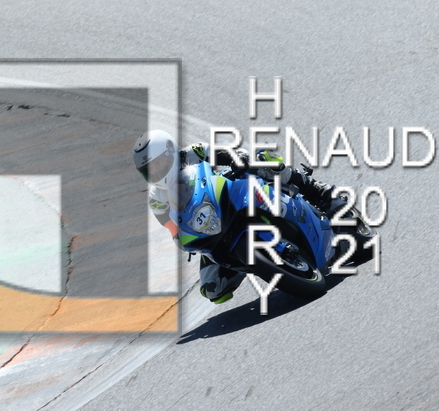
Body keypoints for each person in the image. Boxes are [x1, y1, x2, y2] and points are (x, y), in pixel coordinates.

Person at [132, 129, 335, 304]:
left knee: (262, 161)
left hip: (228, 193)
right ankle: (244, 262)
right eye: (149, 170)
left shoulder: (193, 152)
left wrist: (239, 159)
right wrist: (181, 239)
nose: (155, 171)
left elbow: (225, 153)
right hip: (208, 225)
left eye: (158, 164)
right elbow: (173, 229)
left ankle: (315, 189)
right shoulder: (156, 199)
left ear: (170, 152)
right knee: (213, 290)